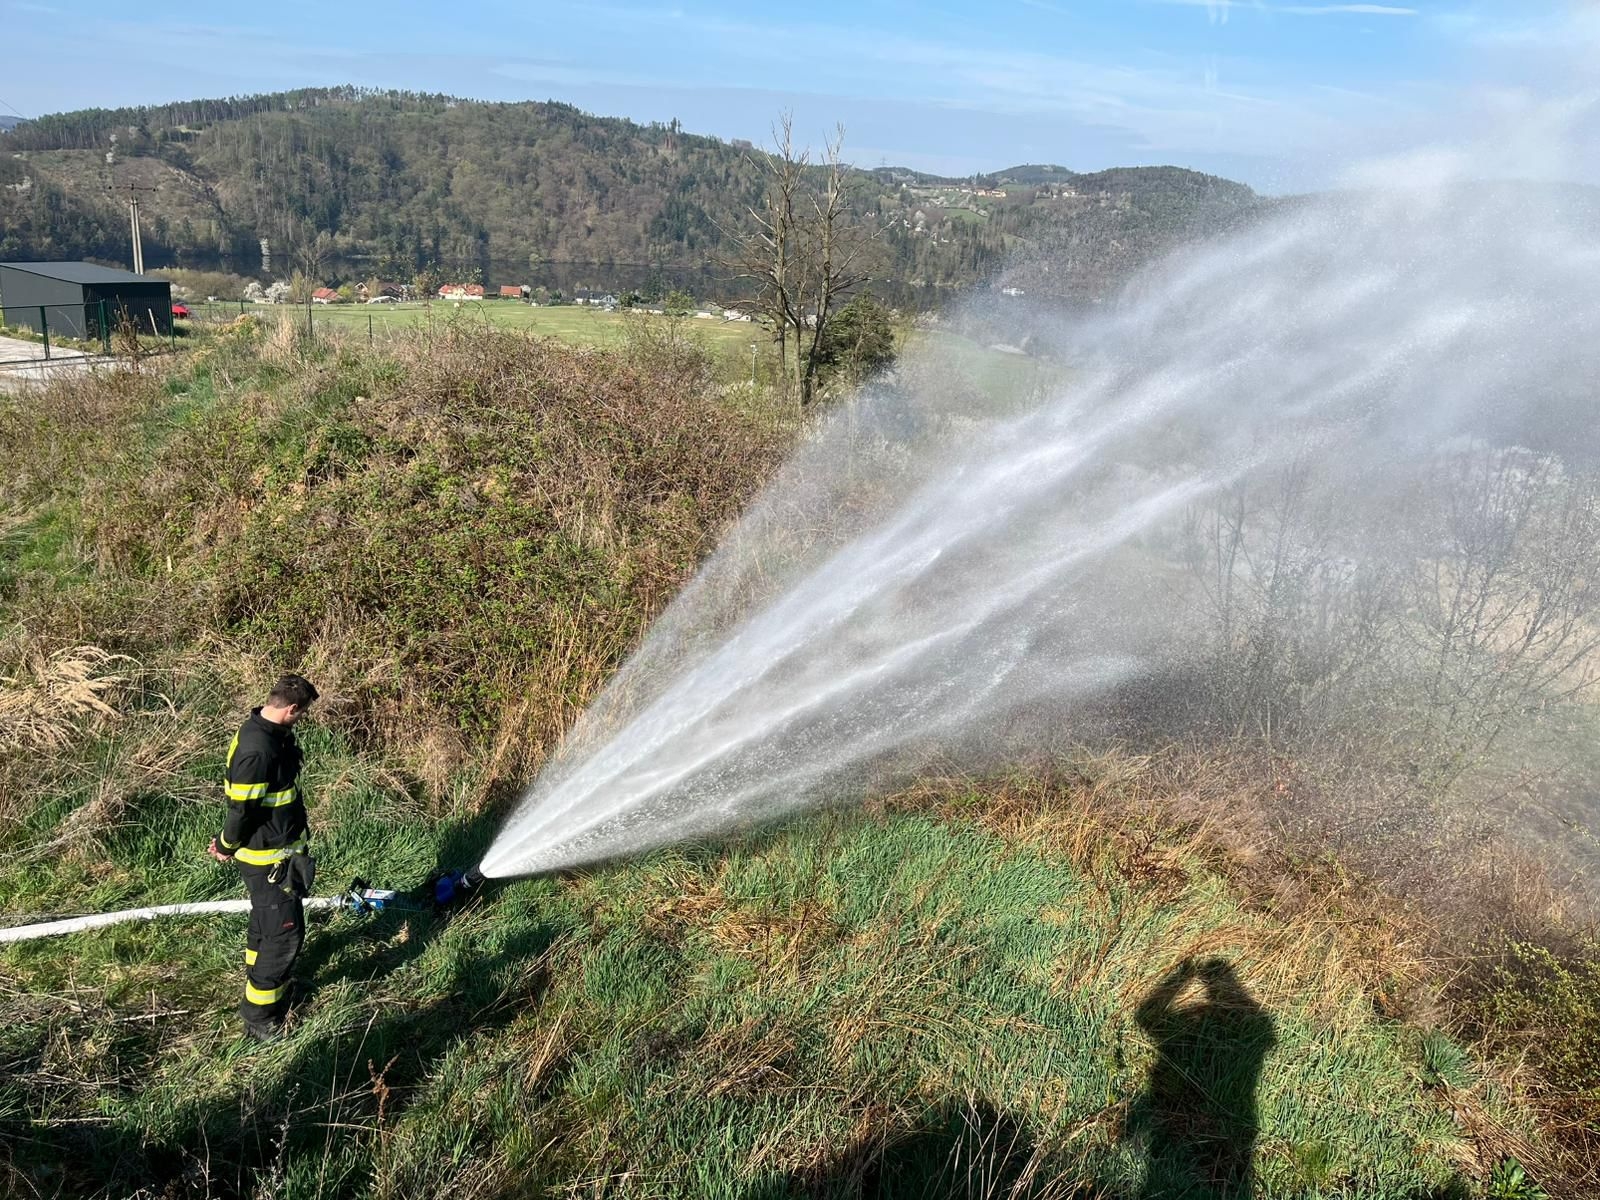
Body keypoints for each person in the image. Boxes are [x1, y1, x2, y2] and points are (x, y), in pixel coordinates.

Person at [207, 673, 319, 1040]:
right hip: (269, 859)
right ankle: (260, 1016)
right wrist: (225, 845)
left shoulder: (269, 733)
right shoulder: (258, 750)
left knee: (264, 923)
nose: (302, 719)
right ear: (291, 708)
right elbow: (242, 811)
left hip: (277, 852)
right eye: (302, 714)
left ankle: (260, 979)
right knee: (284, 934)